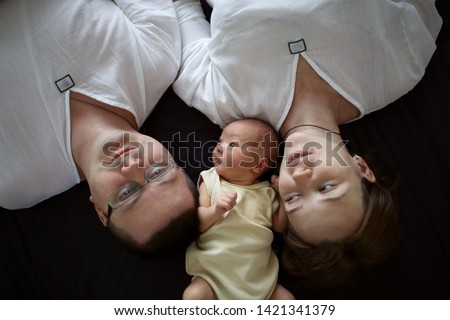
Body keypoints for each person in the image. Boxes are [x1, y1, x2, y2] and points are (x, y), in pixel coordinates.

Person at [171, 0, 442, 290]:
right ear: (362, 168)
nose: (299, 177)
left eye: (293, 199)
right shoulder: (402, 65)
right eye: (326, 188)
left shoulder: (224, 106)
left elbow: (180, 9)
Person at [0, 0, 198, 253]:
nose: (134, 165)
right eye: (157, 172)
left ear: (99, 211)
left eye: (126, 193)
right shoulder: (158, 59)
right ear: (175, 163)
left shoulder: (14, 183)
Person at [184, 118, 293, 299]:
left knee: (287, 300)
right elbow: (198, 223)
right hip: (214, 274)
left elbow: (279, 226)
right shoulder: (210, 180)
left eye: (232, 145)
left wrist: (281, 196)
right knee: (194, 295)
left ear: (258, 165)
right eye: (220, 141)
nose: (219, 147)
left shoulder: (266, 192)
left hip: (257, 276)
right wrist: (216, 210)